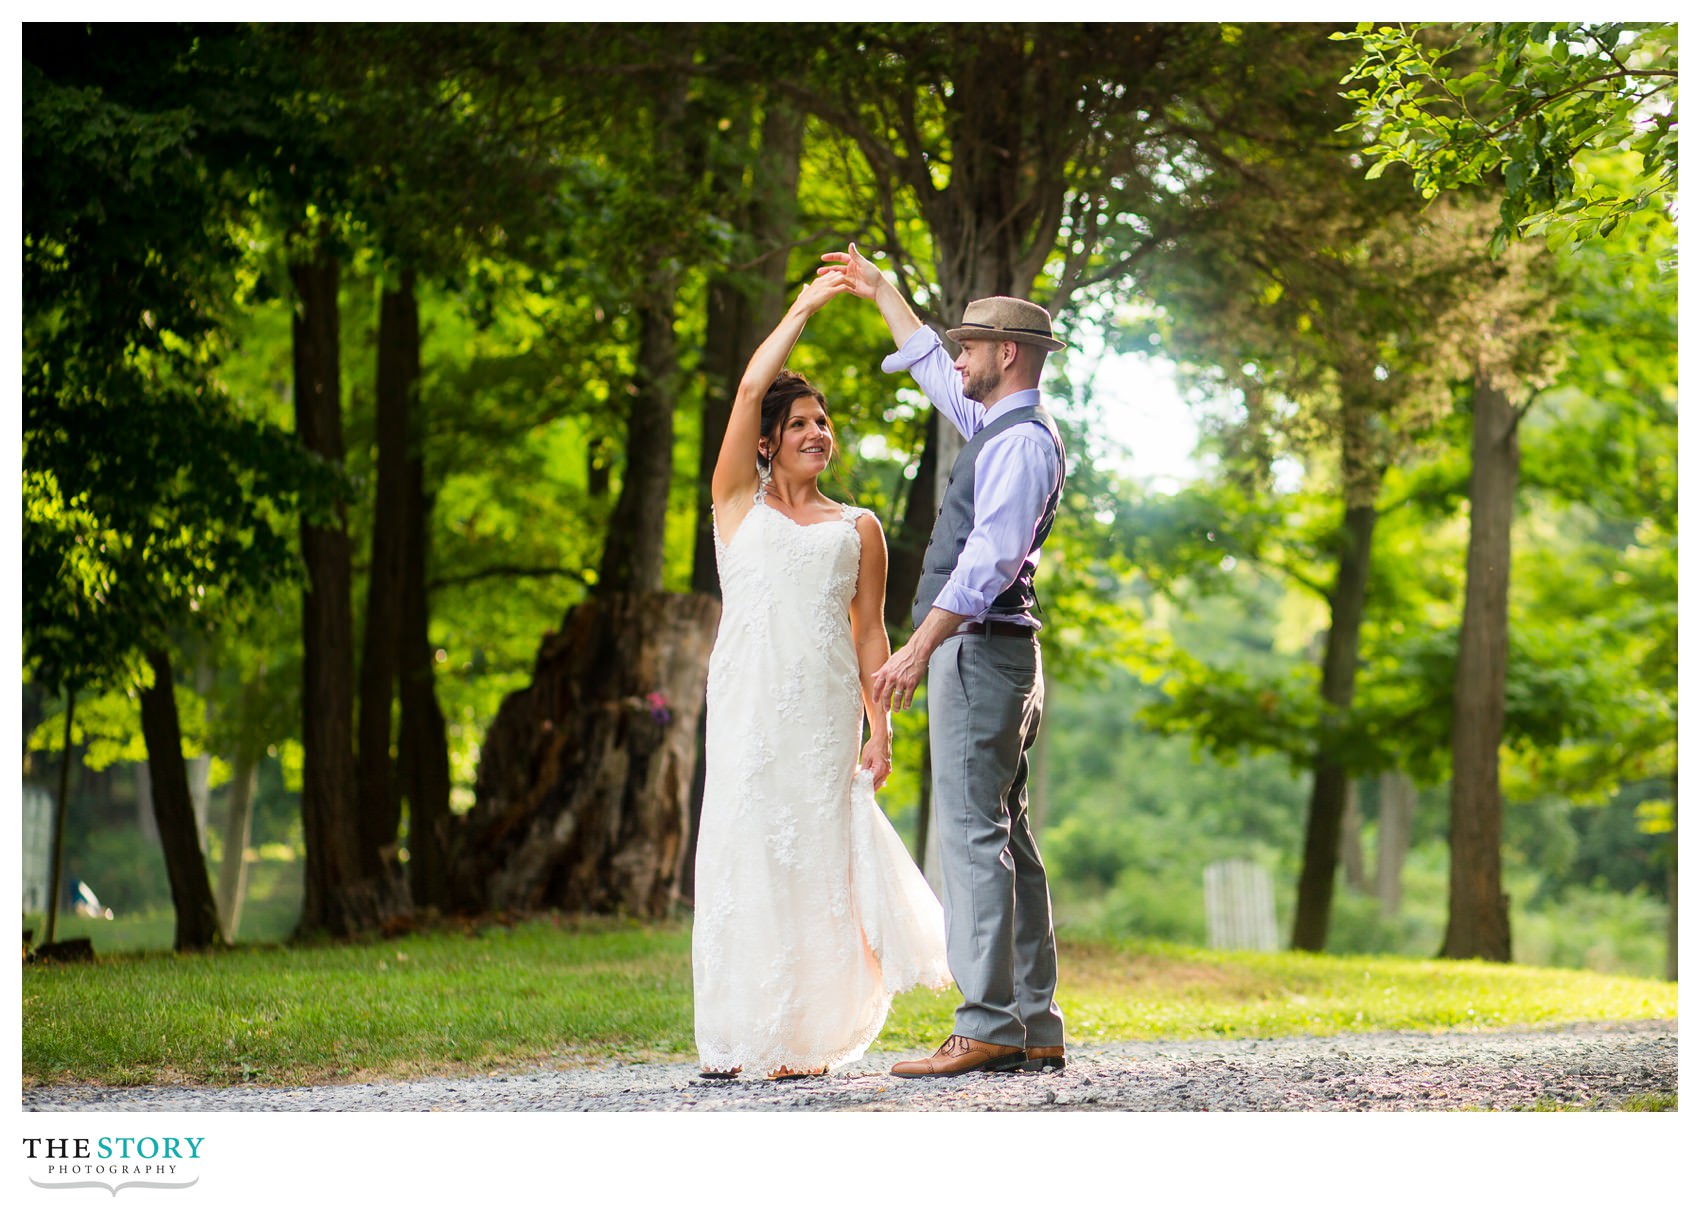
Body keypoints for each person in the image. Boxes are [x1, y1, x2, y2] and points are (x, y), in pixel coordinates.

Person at [692, 268, 951, 1082]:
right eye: (799, 421)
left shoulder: (860, 529)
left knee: (815, 860)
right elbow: (744, 391)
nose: (816, 430)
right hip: (747, 708)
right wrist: (803, 307)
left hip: (824, 718)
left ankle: (806, 1036)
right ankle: (743, 1032)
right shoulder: (735, 503)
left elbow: (871, 634)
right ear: (768, 440)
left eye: (823, 420)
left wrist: (883, 730)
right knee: (748, 856)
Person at [822, 243, 1068, 1078]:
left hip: (980, 650)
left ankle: (987, 1021)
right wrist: (881, 290)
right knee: (1009, 838)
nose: (958, 355)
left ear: (1007, 356)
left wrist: (919, 648)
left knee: (971, 838)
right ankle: (1034, 1022)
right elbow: (933, 369)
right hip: (1001, 655)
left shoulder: (1021, 443)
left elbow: (987, 562)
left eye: (972, 345)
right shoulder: (1000, 428)